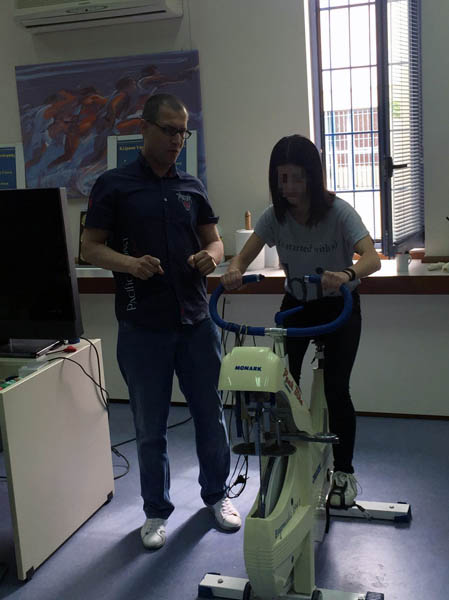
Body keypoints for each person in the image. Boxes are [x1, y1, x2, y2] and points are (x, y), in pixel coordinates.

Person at [82, 93, 241, 550]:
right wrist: (130, 265)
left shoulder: (191, 186)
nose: (176, 140)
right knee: (149, 425)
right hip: (142, 326)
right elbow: (90, 248)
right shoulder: (113, 185)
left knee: (210, 414)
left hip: (195, 323)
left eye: (182, 133)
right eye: (169, 130)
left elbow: (215, 242)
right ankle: (155, 511)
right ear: (144, 128)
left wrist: (211, 257)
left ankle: (217, 496)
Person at [220, 134, 381, 508]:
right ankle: (288, 452)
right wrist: (234, 270)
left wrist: (346, 274)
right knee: (280, 383)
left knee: (337, 390)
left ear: (312, 176)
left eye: (297, 177)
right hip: (296, 306)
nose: (289, 187)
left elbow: (372, 258)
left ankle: (344, 473)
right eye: (282, 178)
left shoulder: (339, 212)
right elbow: (242, 257)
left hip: (339, 307)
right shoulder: (274, 216)